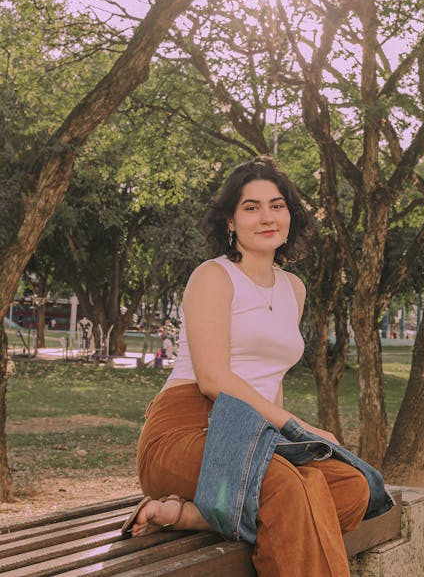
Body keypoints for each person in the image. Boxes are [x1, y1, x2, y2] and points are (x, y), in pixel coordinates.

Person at [123, 156, 375, 577]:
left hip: (253, 429)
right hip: (185, 431)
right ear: (230, 221)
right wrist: (298, 427)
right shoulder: (213, 277)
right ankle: (216, 506)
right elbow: (212, 379)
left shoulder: (293, 288)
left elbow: (270, 378)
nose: (267, 217)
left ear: (290, 214)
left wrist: (278, 434)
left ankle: (194, 516)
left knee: (350, 486)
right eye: (251, 207)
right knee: (287, 487)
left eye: (277, 205)